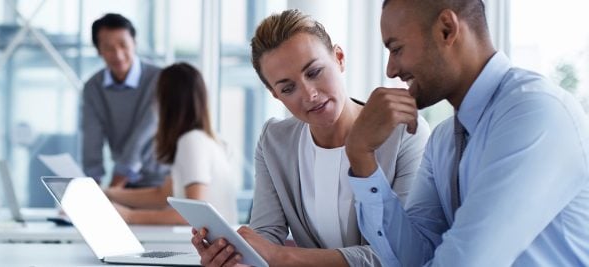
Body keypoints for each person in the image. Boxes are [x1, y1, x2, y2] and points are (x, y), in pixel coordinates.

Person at [340, 0, 589, 265]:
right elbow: (412, 258)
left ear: (447, 29)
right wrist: (360, 154)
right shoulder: (443, 140)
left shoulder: (535, 113)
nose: (391, 69)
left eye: (397, 49)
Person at [189, 9, 429, 266]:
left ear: (339, 58)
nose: (309, 94)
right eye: (288, 88)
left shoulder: (403, 133)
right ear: (275, 95)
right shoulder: (275, 141)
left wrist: (284, 256)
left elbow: (402, 254)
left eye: (314, 72)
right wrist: (236, 257)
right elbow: (265, 237)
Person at [108, 63, 239, 225]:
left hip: (206, 247)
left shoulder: (192, 142)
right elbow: (162, 194)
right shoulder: (206, 140)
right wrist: (108, 194)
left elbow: (196, 214)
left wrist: (129, 216)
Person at [81, 13, 169, 192]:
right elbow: (92, 138)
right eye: (108, 48)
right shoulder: (92, 87)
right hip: (125, 184)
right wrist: (91, 190)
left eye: (123, 45)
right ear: (98, 50)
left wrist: (114, 186)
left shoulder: (160, 79)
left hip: (162, 181)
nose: (118, 55)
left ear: (134, 43)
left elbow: (144, 133)